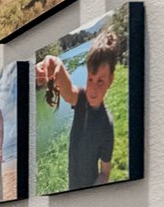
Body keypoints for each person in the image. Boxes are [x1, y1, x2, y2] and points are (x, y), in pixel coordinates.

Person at [35, 28, 122, 190]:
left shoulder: (107, 125)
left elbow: (105, 172)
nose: (93, 89)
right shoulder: (81, 99)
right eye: (90, 79)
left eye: (100, 81)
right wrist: (56, 64)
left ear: (110, 80)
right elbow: (68, 91)